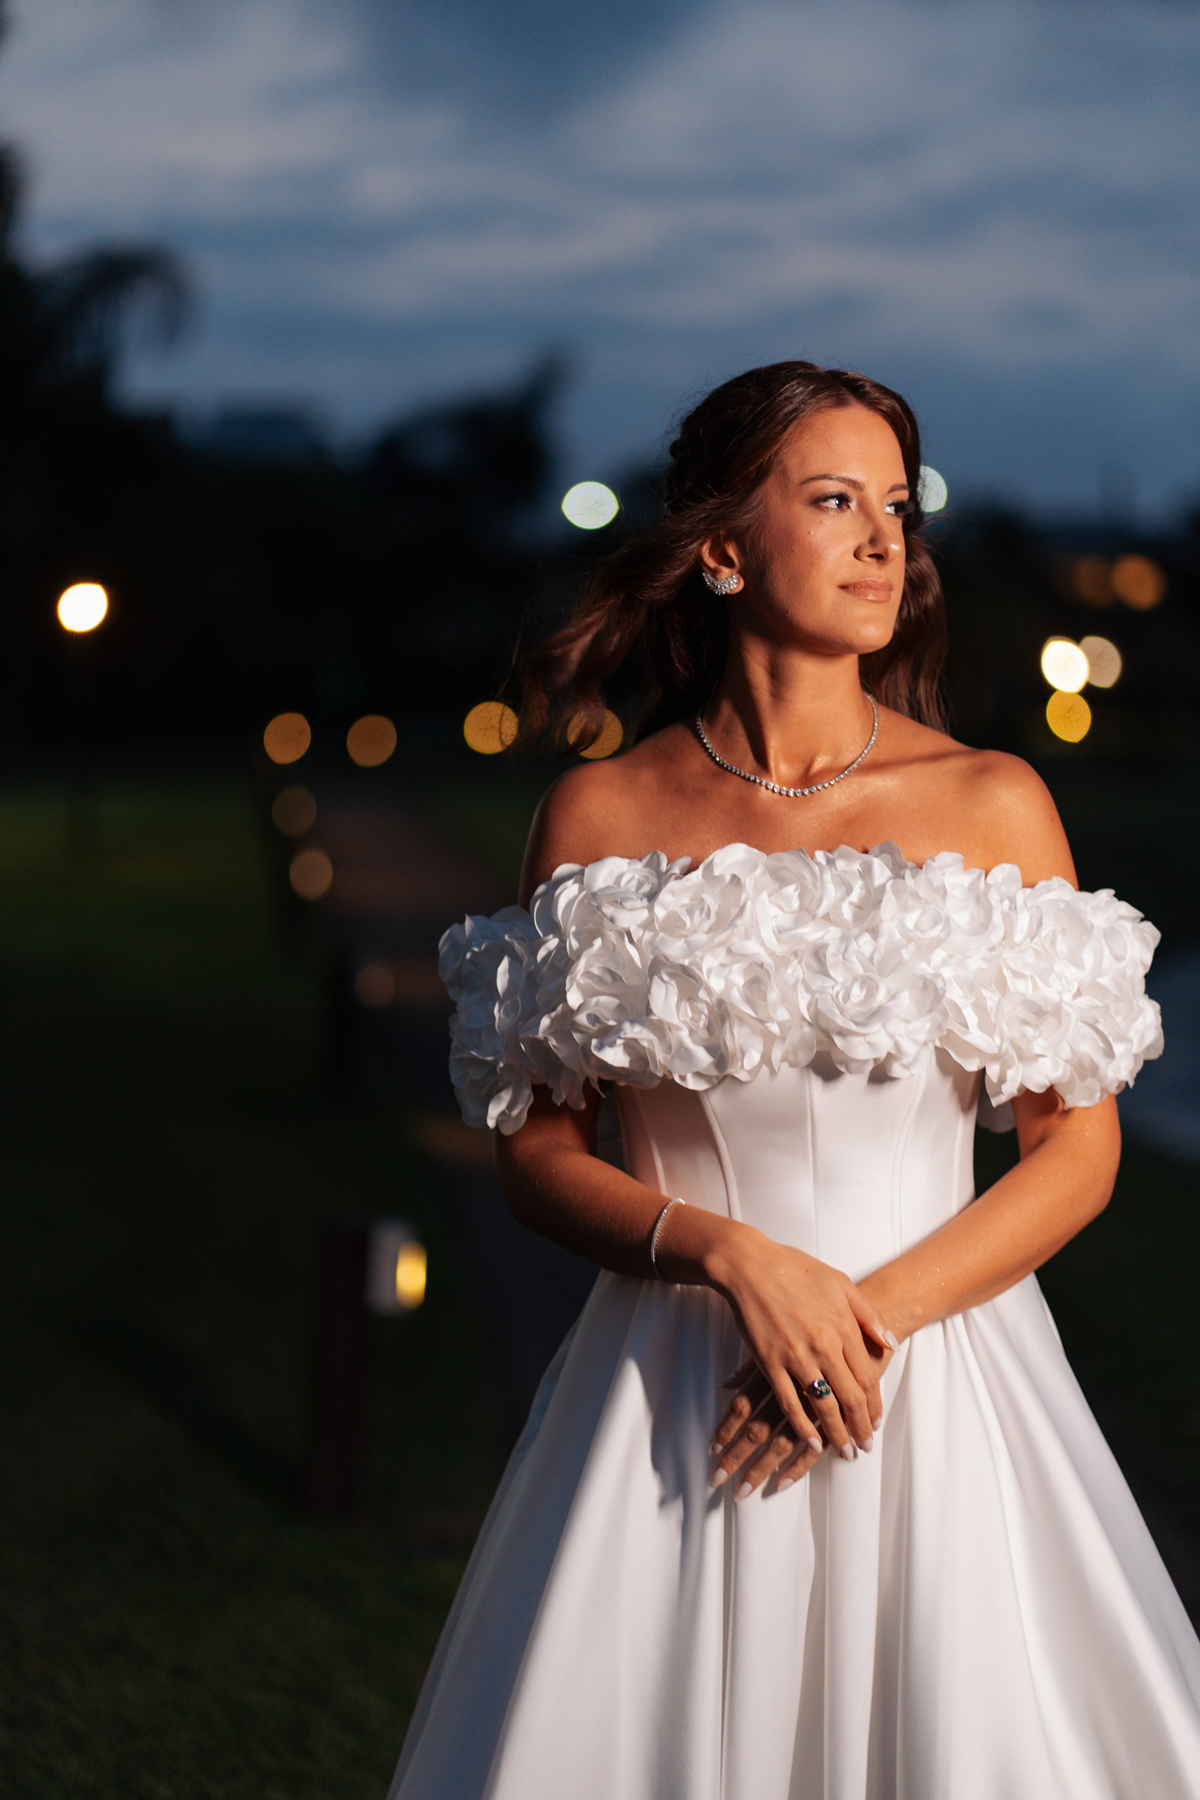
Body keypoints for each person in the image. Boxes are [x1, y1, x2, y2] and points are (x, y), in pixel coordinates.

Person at [388, 362, 1200, 1799]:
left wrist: (863, 1322)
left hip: (941, 1380)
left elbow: (1076, 1153)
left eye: (898, 505)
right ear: (720, 547)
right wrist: (728, 1254)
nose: (888, 541)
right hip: (669, 1395)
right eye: (835, 502)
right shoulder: (599, 811)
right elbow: (539, 1153)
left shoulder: (994, 802)